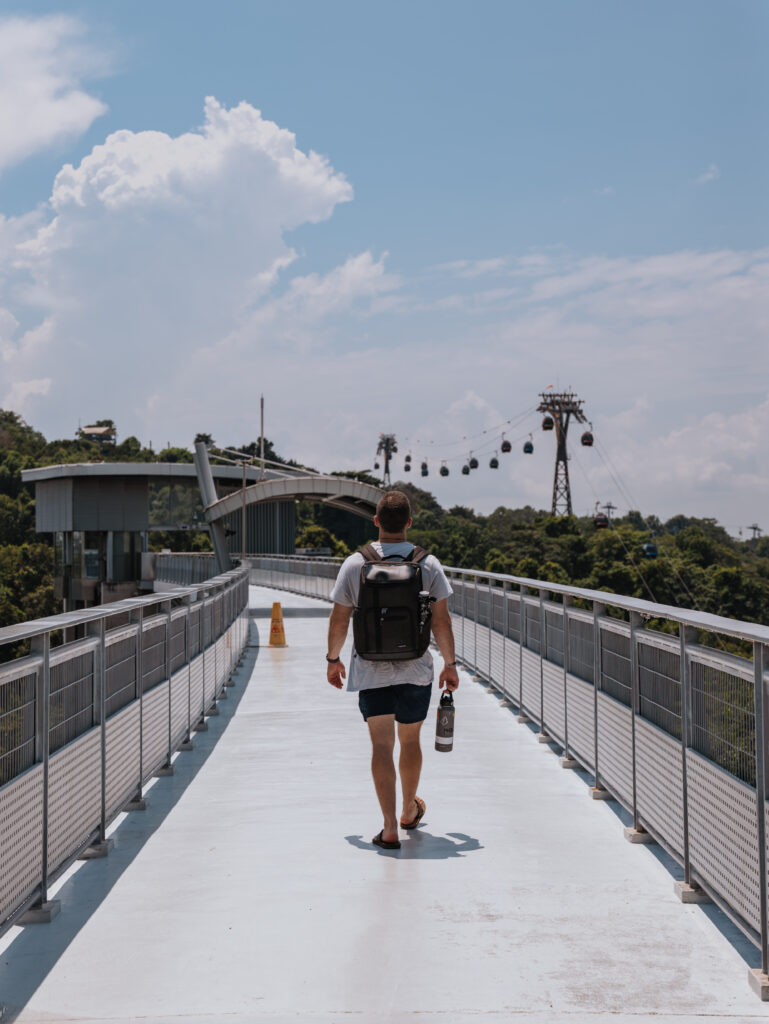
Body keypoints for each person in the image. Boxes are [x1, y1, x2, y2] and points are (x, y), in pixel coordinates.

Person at [326, 490, 459, 850]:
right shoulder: (427, 565)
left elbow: (339, 619)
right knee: (410, 740)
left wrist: (332, 659)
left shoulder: (356, 564)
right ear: (409, 523)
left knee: (381, 745)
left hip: (370, 670)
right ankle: (407, 810)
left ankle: (388, 827)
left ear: (376, 522)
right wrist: (450, 664)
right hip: (416, 670)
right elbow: (441, 622)